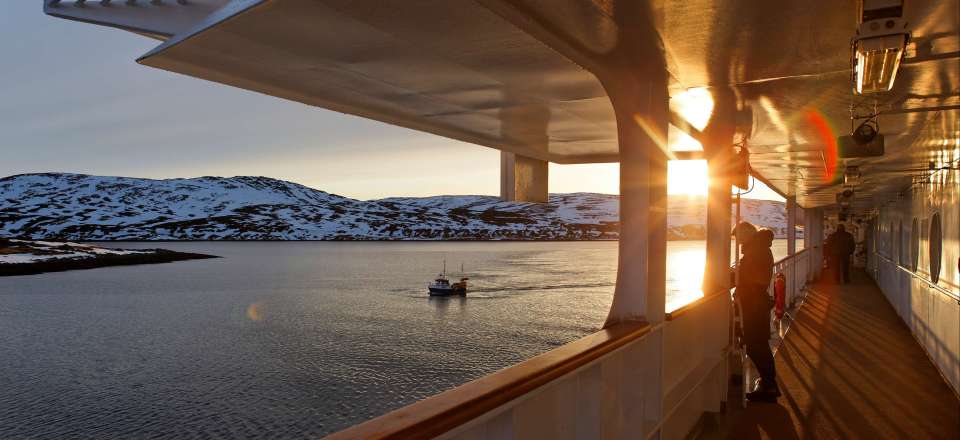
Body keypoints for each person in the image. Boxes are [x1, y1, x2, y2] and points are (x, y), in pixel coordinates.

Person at [733, 221, 780, 402]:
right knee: (757, 343)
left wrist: (738, 276)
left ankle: (769, 386)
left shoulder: (757, 251)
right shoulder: (758, 249)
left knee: (755, 344)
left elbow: (758, 278)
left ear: (745, 235)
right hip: (755, 303)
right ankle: (768, 382)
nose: (737, 241)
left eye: (737, 237)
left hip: (754, 304)